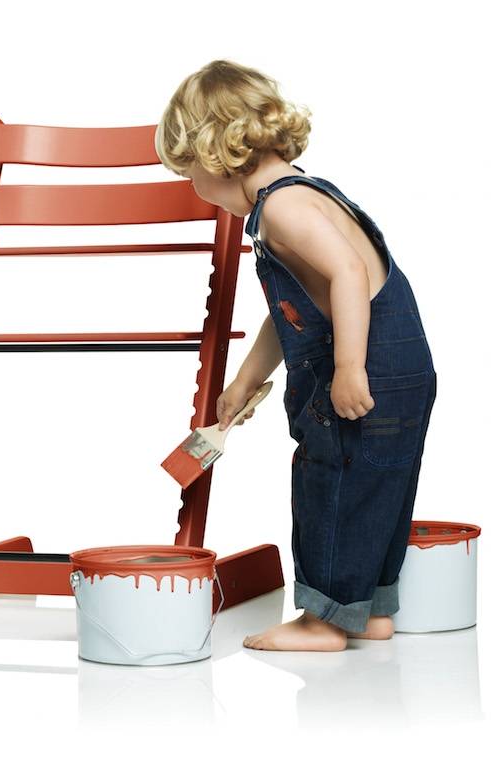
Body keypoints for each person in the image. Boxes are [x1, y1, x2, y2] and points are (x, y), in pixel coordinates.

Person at [156, 60, 437, 651]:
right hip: (402, 368)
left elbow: (349, 273)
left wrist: (349, 368)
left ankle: (323, 623)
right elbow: (294, 308)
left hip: (366, 365)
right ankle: (369, 610)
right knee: (378, 489)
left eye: (188, 174)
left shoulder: (283, 209)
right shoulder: (305, 193)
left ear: (213, 155)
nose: (193, 188)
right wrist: (245, 382)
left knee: (330, 484)